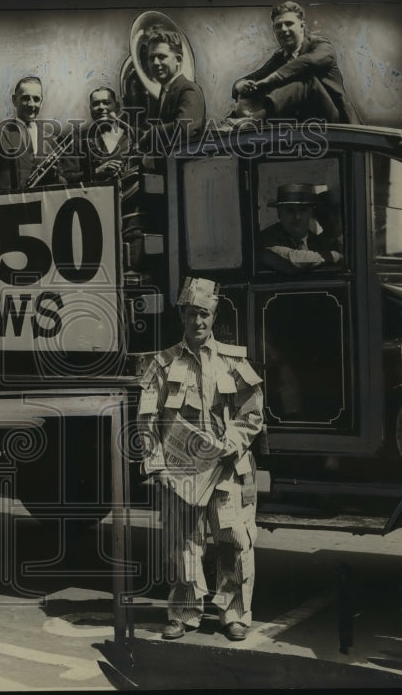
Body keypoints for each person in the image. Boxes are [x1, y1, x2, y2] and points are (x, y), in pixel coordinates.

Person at [137, 277, 265, 642]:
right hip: (182, 472)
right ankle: (183, 613)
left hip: (226, 470)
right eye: (192, 313)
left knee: (234, 542)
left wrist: (229, 444)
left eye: (204, 314)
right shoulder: (162, 364)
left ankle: (233, 614)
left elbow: (253, 414)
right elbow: (146, 420)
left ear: (214, 315)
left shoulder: (232, 360)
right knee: (183, 544)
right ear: (182, 314)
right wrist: (157, 464)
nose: (198, 322)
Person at [233, 1, 359, 124]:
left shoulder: (321, 46)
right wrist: (241, 85)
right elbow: (256, 76)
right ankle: (236, 122)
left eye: (289, 23)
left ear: (302, 26)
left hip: (334, 121)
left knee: (306, 81)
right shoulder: (279, 57)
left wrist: (269, 80)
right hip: (302, 124)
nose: (283, 29)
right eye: (278, 26)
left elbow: (305, 63)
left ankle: (257, 119)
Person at [0, 76, 68, 191]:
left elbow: (63, 181)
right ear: (14, 100)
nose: (31, 104)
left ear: (41, 102)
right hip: (9, 205)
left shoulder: (50, 140)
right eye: (25, 98)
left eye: (36, 99)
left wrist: (54, 177)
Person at [137, 27, 206, 161]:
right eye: (151, 58)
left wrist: (150, 134)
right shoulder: (164, 92)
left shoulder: (189, 90)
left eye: (162, 57)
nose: (155, 63)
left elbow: (184, 130)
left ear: (178, 60)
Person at [259, 183, 343, 274]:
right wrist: (334, 256)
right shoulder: (267, 238)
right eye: (290, 210)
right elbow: (293, 260)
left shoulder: (318, 242)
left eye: (303, 210)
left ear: (311, 213)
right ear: (279, 213)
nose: (297, 217)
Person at [65, 86, 138, 189]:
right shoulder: (78, 139)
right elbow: (67, 177)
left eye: (106, 102)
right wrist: (96, 172)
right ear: (90, 109)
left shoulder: (130, 136)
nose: (101, 107)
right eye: (95, 104)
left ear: (117, 107)